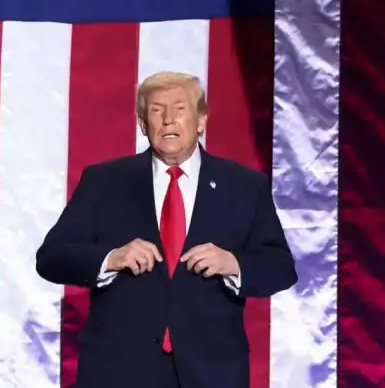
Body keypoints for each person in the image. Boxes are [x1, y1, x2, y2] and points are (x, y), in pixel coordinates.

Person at [35, 71, 297, 388]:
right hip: (118, 371)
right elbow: (51, 257)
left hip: (212, 373)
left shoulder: (244, 186)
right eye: (157, 110)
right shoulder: (104, 182)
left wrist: (234, 264)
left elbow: (280, 267)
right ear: (143, 124)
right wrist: (110, 258)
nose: (168, 119)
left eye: (180, 109)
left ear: (201, 120)